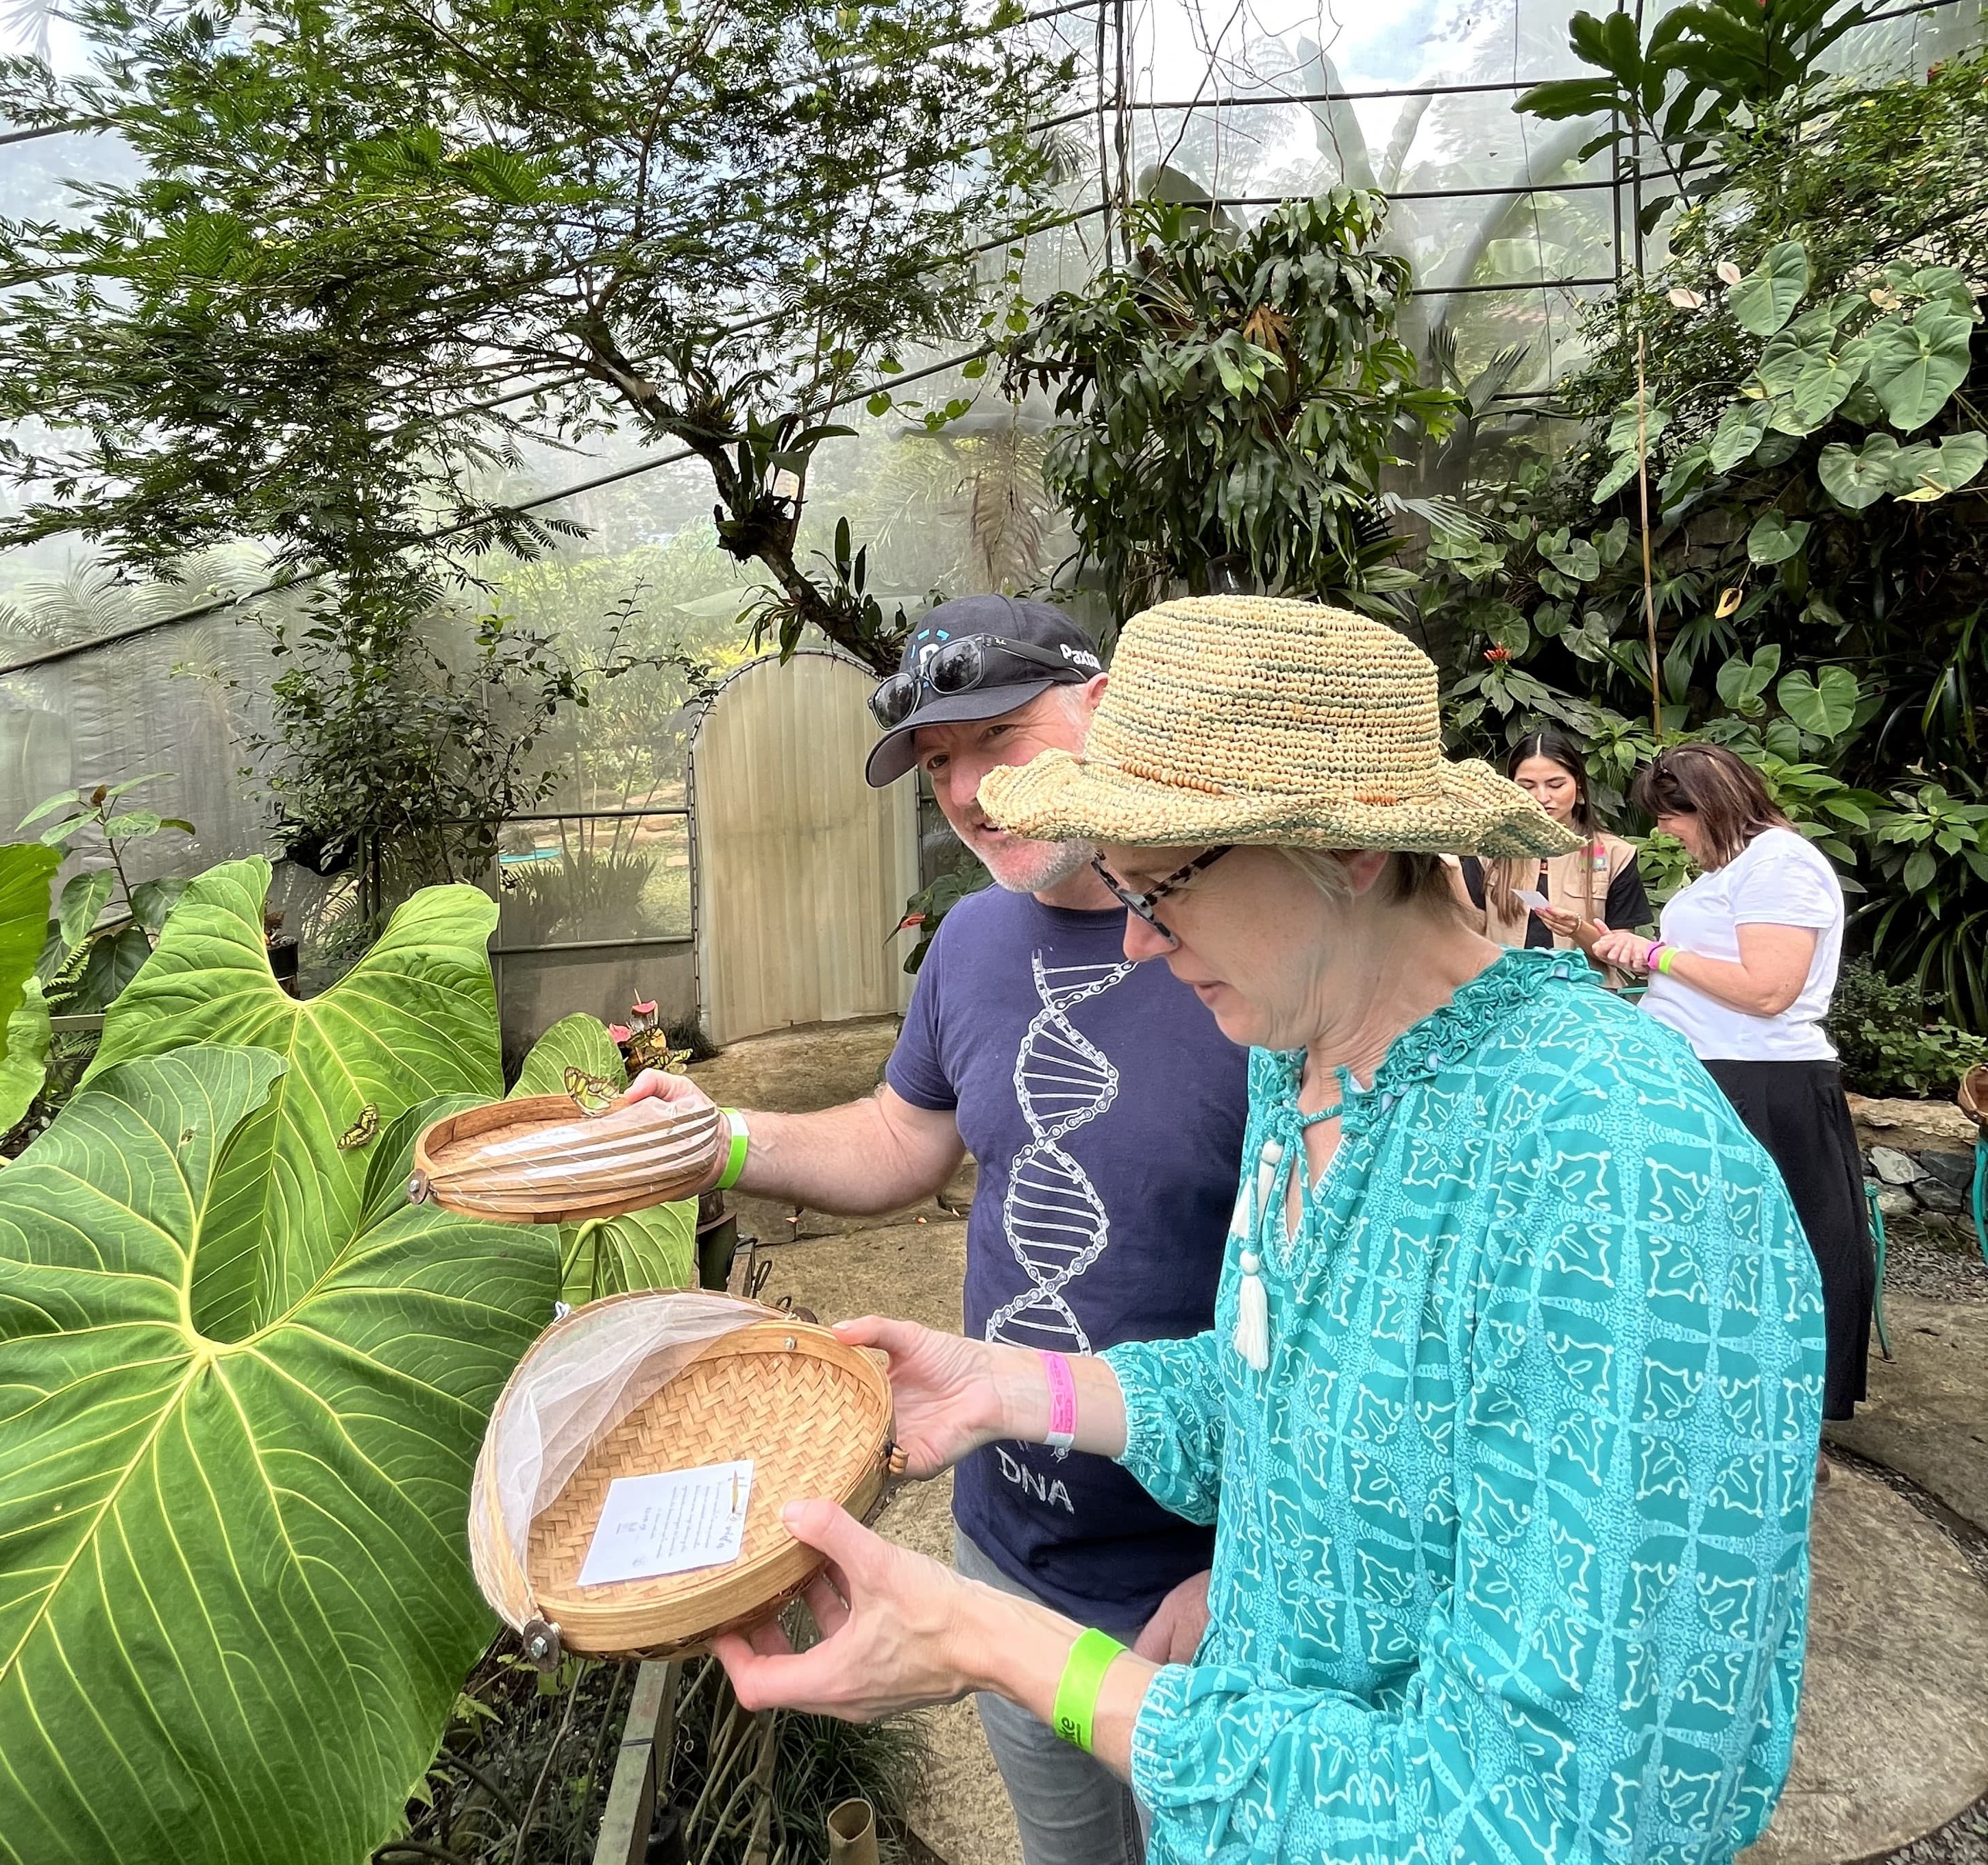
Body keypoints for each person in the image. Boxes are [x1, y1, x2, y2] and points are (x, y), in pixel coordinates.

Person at [704, 597, 1827, 1865]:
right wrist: (1011, 1387)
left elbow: (1551, 1816)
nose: (1130, 937)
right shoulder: (1297, 1064)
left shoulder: (1615, 1172)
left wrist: (994, 1642)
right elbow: (1278, 1395)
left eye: (1159, 887)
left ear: (1345, 851)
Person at [628, 591, 1249, 1865]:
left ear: (1103, 708)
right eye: (936, 764)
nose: (965, 792)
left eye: (996, 739)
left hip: (1213, 1588)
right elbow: (903, 1138)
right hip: (1005, 1547)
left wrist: (1263, 1570)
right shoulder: (968, 941)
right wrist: (721, 1136)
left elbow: (1338, 1325)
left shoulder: (1256, 954)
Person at [1591, 741, 1874, 1450]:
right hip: (1719, 1070)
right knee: (1725, 1257)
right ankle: (1734, 1407)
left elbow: (1768, 991)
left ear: (1709, 805)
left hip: (1763, 1078)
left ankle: (1794, 1421)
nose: (1663, 831)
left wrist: (1656, 954)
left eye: (1670, 816)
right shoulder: (1741, 869)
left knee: (1781, 1254)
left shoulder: (1780, 865)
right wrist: (1629, 951)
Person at [1449, 728, 1649, 975]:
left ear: (1578, 785)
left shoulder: (1615, 854)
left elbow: (1625, 956)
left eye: (1556, 785)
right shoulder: (1487, 851)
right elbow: (1465, 934)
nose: (1541, 797)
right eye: (1527, 786)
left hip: (1584, 998)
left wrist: (1578, 928)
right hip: (1505, 992)